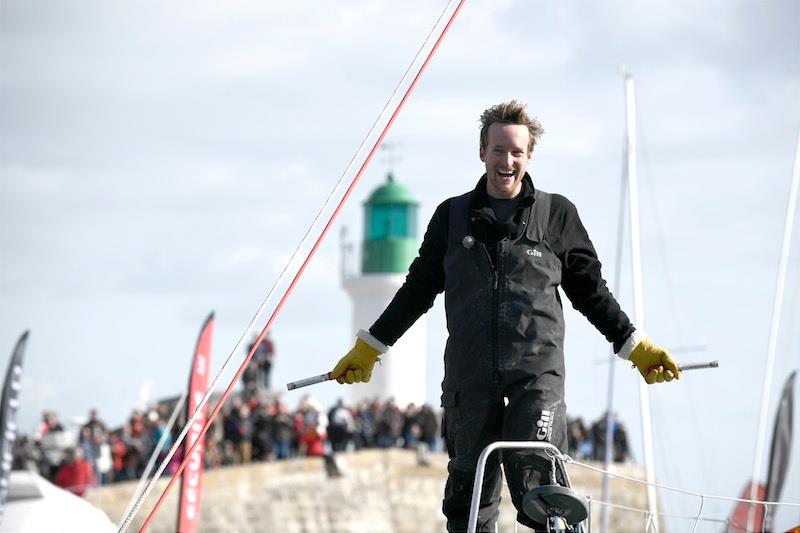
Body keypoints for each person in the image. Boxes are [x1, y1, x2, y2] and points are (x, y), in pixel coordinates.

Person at [330, 100, 681, 532]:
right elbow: (417, 291)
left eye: (516, 151)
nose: (507, 161)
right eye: (498, 150)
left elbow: (591, 293)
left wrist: (634, 346)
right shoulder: (451, 217)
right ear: (482, 152)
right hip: (468, 376)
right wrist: (370, 347)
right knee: (468, 499)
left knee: (540, 486)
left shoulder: (557, 215)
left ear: (529, 156)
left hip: (536, 375)